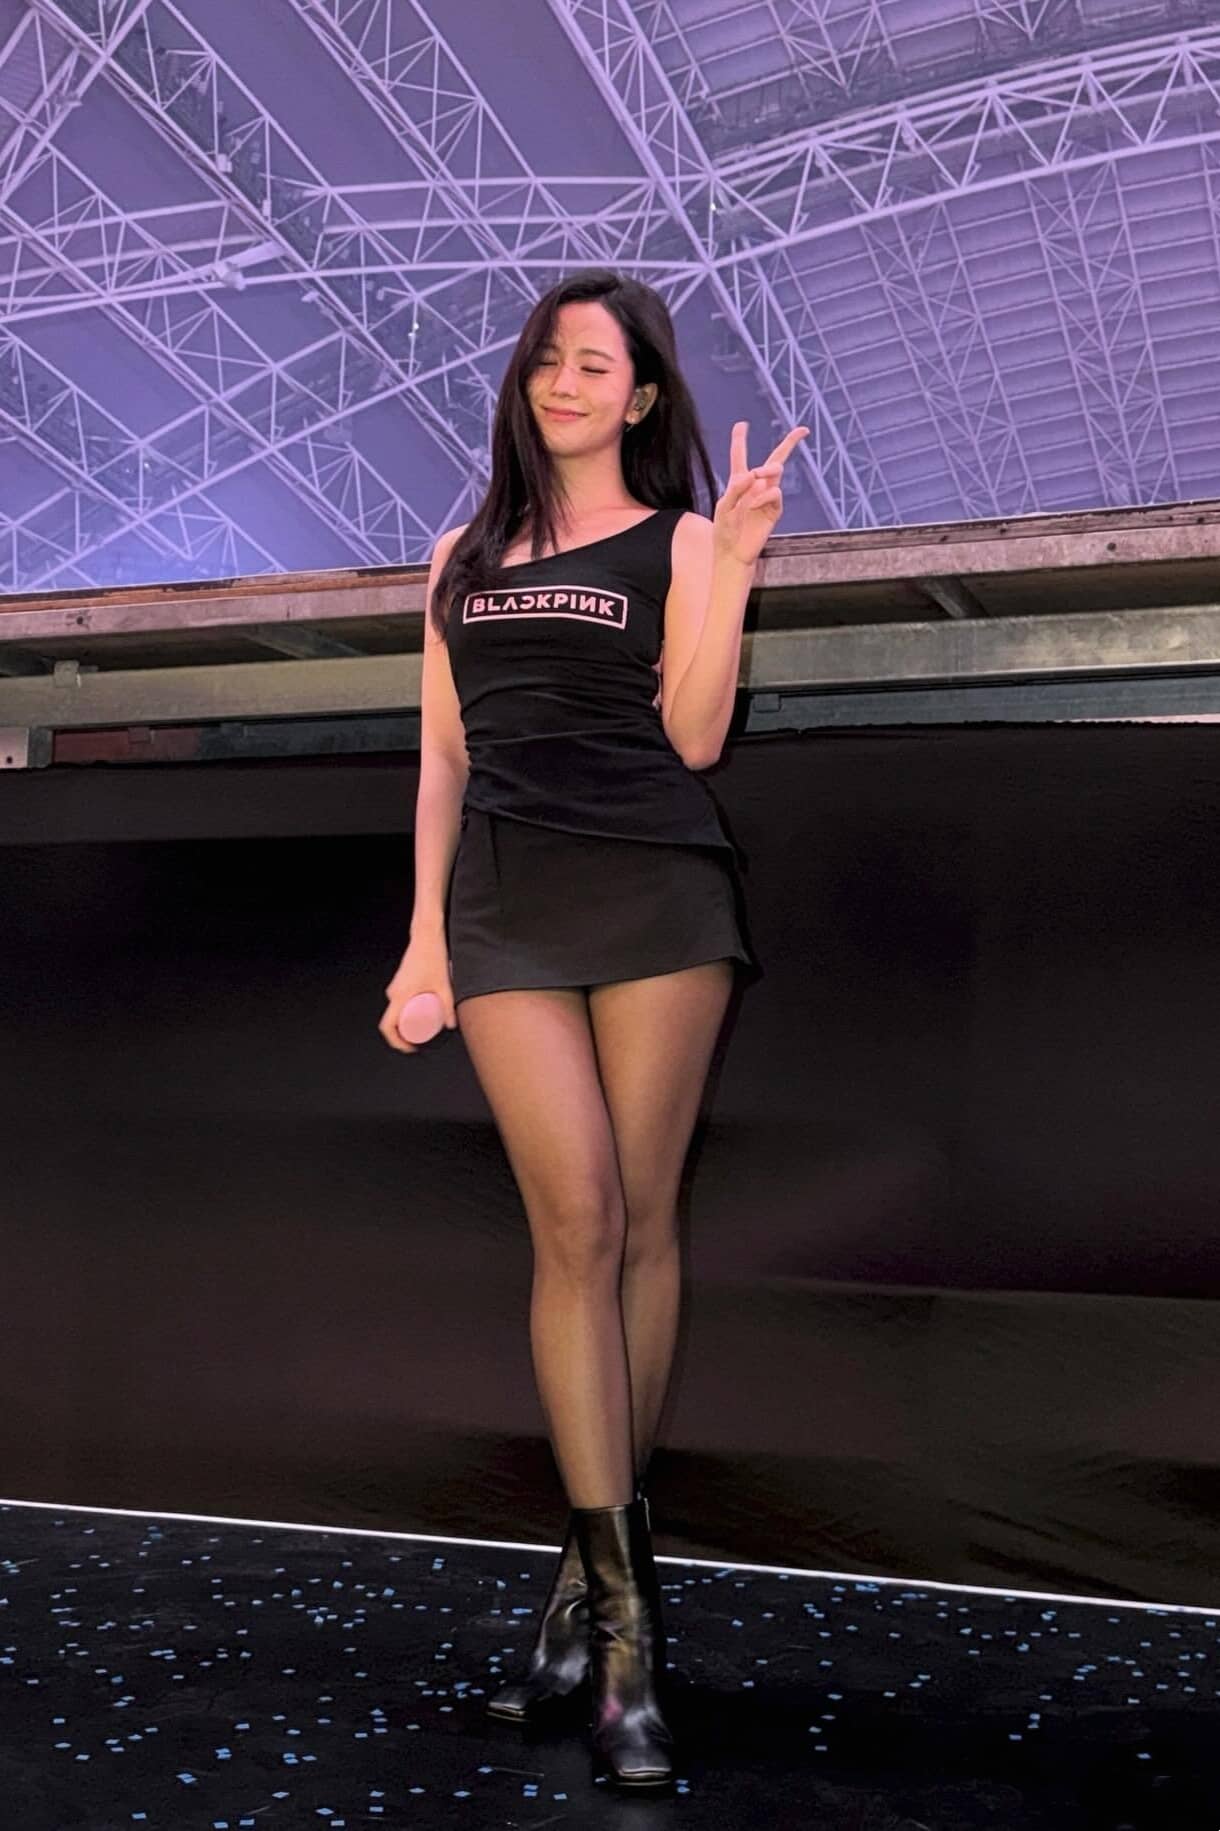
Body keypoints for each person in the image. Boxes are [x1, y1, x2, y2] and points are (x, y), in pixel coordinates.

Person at [378, 267, 807, 1790]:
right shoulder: (460, 554)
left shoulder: (677, 538)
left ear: (641, 398)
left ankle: (602, 1624)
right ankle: (621, 1617)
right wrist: (424, 939)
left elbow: (695, 733)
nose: (564, 382)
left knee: (637, 1225)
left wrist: (733, 563)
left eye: (595, 365)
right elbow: (441, 759)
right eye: (547, 360)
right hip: (505, 903)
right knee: (573, 1224)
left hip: (654, 891)